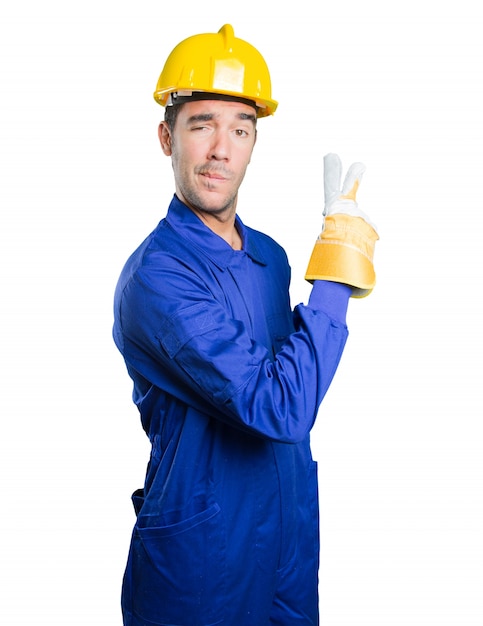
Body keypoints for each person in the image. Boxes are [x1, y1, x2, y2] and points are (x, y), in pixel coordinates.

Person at [112, 24, 379, 626]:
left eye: (240, 128)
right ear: (167, 137)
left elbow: (297, 381)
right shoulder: (157, 280)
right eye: (201, 124)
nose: (220, 149)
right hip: (201, 560)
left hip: (286, 536)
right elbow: (280, 404)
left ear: (254, 143)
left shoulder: (271, 258)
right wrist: (336, 269)